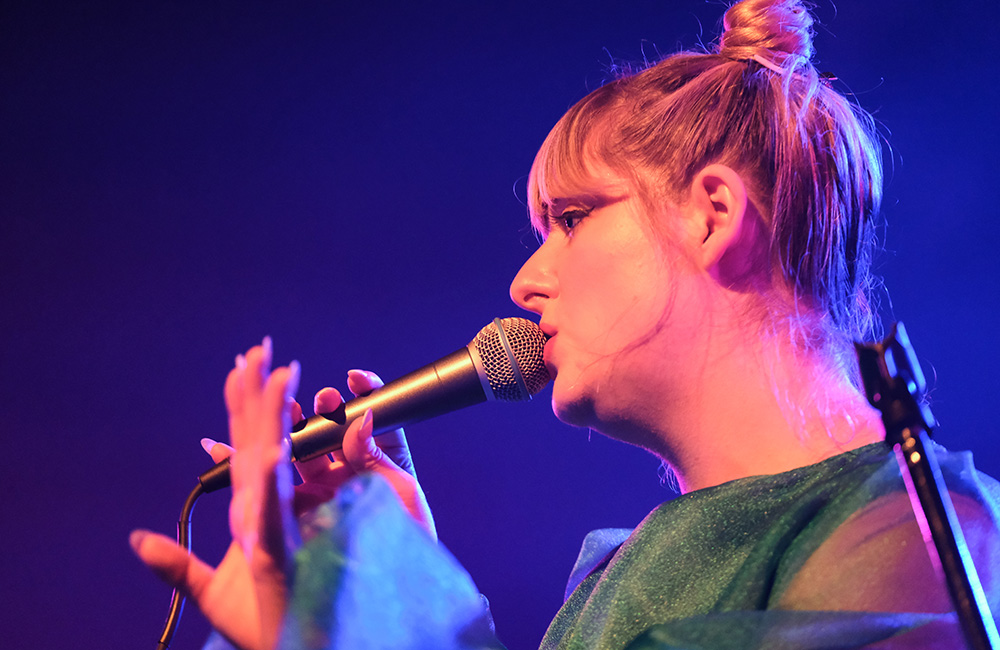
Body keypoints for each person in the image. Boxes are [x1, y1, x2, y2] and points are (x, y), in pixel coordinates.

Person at [131, 0, 1000, 648]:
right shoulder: (615, 577)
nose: (525, 279)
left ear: (714, 215)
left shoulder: (921, 532)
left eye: (573, 220)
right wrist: (384, 601)